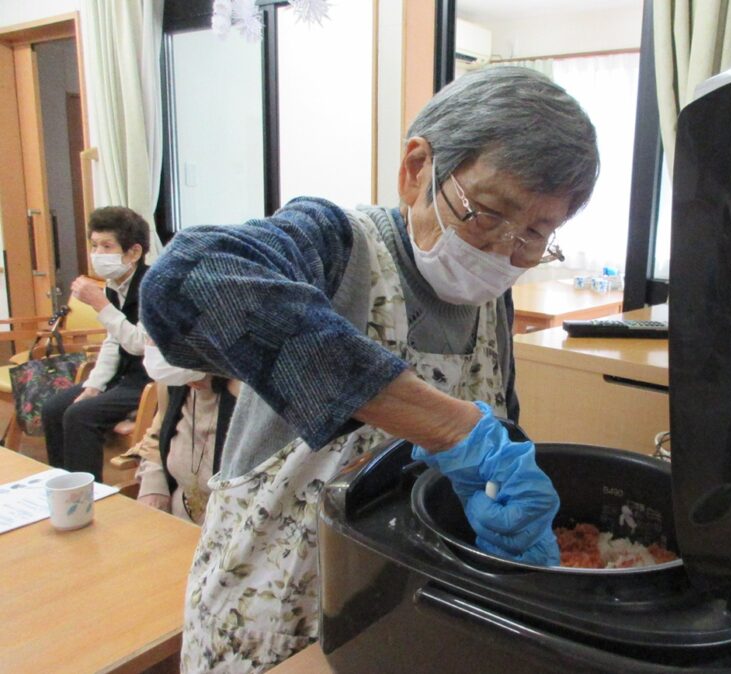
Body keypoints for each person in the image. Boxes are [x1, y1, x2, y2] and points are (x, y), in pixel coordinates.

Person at [140, 67, 599, 672]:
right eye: (487, 214)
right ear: (416, 170)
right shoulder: (339, 248)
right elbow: (187, 280)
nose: (502, 252)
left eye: (537, 235)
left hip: (399, 624)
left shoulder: (494, 300)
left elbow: (490, 440)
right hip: (275, 630)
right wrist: (448, 427)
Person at [43, 206, 151, 481]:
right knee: (54, 409)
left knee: (80, 415)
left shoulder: (152, 285)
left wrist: (100, 304)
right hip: (120, 376)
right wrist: (94, 386)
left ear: (134, 252)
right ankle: (65, 486)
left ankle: (87, 495)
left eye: (107, 246)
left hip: (147, 378)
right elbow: (112, 342)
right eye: (94, 246)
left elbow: (139, 344)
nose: (97, 254)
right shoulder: (113, 286)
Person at [132, 343, 239, 524]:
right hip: (177, 519)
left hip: (228, 528)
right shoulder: (174, 385)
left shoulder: (249, 397)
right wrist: (153, 486)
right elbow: (156, 438)